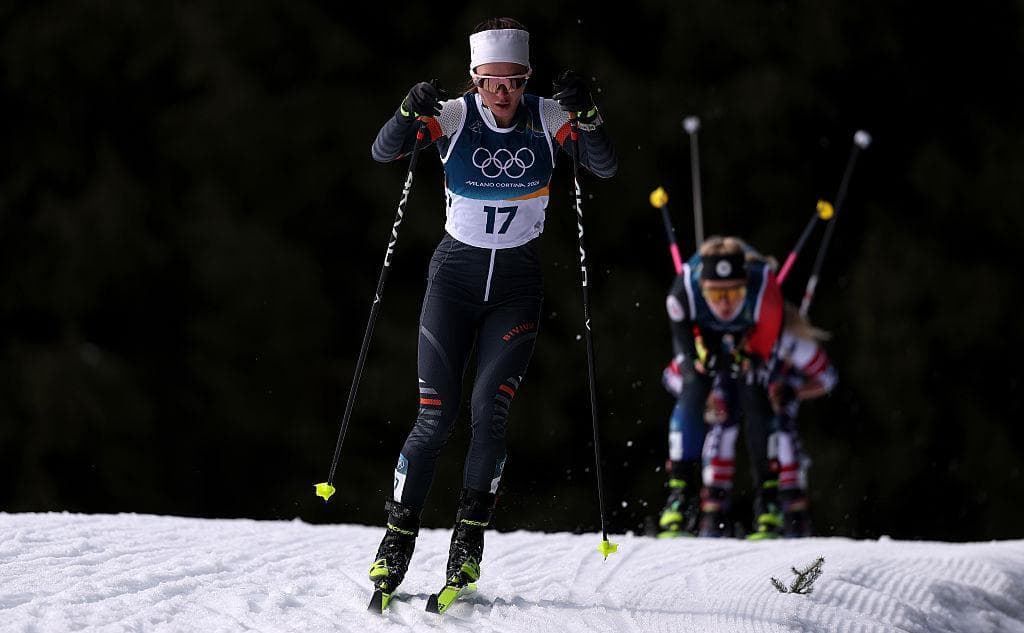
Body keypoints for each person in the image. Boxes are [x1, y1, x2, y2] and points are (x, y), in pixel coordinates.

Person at [365, 17, 616, 607]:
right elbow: (384, 152)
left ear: (526, 77)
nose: (501, 93)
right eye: (489, 81)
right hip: (453, 281)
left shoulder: (549, 116)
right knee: (435, 415)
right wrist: (406, 111)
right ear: (474, 78)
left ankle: (467, 543)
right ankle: (397, 539)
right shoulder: (453, 116)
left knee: (488, 413)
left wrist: (589, 116)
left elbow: (603, 165)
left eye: (513, 81)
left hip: (516, 288)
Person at [657, 236, 783, 538]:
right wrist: (698, 357)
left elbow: (763, 350)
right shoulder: (683, 293)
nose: (725, 304)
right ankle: (680, 498)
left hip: (749, 332)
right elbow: (685, 346)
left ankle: (769, 503)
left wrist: (747, 355)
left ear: (745, 287)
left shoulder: (765, 292)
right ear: (703, 288)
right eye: (715, 294)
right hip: (702, 332)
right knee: (693, 388)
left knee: (753, 389)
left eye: (734, 292)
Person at [693, 302, 838, 538]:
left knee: (778, 426)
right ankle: (712, 516)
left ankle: (790, 513)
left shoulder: (788, 341)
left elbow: (828, 378)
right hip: (732, 398)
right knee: (723, 425)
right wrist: (704, 394)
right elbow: (673, 376)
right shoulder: (718, 337)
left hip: (769, 408)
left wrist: (793, 391)